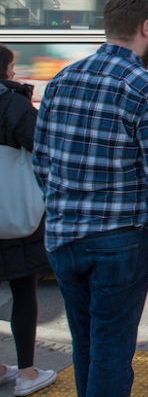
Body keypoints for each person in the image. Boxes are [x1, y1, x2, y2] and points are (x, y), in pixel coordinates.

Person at [32, 0, 148, 397]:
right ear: (146, 28)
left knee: (86, 347)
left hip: (63, 239)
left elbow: (42, 163)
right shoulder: (147, 89)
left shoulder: (61, 80)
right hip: (120, 240)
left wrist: (68, 207)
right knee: (113, 352)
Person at [0, 45, 58, 396]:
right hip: (14, 215)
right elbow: (43, 146)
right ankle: (26, 373)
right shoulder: (13, 103)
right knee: (23, 292)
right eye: (11, 67)